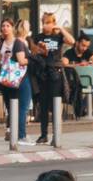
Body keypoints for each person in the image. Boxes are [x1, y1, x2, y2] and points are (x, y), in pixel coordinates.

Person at [30, 12, 74, 145]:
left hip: (56, 71)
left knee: (55, 104)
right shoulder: (38, 37)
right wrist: (41, 50)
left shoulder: (58, 36)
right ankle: (43, 134)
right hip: (43, 72)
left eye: (48, 22)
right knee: (43, 105)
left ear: (53, 23)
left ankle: (56, 134)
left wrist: (60, 29)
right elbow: (34, 51)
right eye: (44, 22)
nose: (45, 25)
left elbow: (72, 41)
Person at [0, 19, 31, 146]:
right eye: (3, 26)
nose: (5, 28)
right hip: (16, 78)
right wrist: (34, 58)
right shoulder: (2, 42)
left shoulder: (16, 42)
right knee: (20, 107)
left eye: (7, 26)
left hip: (9, 78)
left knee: (15, 107)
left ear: (12, 28)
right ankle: (21, 135)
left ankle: (12, 132)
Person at [63, 32, 93, 117]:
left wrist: (87, 65)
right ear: (77, 43)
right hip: (73, 81)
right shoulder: (69, 52)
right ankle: (81, 110)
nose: (84, 48)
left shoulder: (88, 52)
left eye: (87, 46)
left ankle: (82, 108)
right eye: (83, 45)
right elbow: (64, 64)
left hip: (87, 81)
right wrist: (77, 65)